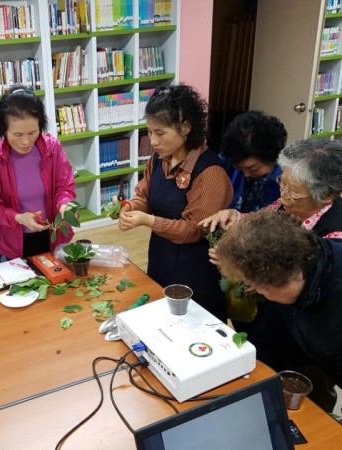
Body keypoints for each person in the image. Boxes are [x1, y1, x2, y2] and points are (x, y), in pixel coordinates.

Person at [200, 138, 342, 331]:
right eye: (281, 184)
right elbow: (261, 218)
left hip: (307, 326)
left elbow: (303, 285)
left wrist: (255, 276)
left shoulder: (335, 237)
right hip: (272, 313)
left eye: (292, 191)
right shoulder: (286, 202)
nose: (283, 195)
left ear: (326, 195)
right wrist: (235, 216)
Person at [118, 84, 233, 321]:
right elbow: (144, 195)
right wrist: (131, 208)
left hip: (195, 268)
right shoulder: (160, 159)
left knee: (193, 325)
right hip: (162, 254)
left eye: (160, 133)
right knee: (163, 317)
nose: (153, 141)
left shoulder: (210, 172)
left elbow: (194, 230)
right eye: (149, 132)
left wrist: (147, 220)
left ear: (186, 127)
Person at [215, 210, 342, 411]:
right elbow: (268, 340)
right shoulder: (291, 266)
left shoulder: (334, 299)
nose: (254, 291)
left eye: (254, 285)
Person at [0, 85, 76, 259]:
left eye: (32, 133)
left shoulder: (52, 148)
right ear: (3, 130)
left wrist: (65, 205)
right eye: (17, 134)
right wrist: (19, 218)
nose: (25, 141)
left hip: (52, 234)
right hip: (14, 241)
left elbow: (65, 188)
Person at [219, 110, 287, 213]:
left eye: (253, 168)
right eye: (239, 169)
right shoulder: (224, 162)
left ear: (273, 157)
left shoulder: (288, 175)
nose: (246, 175)